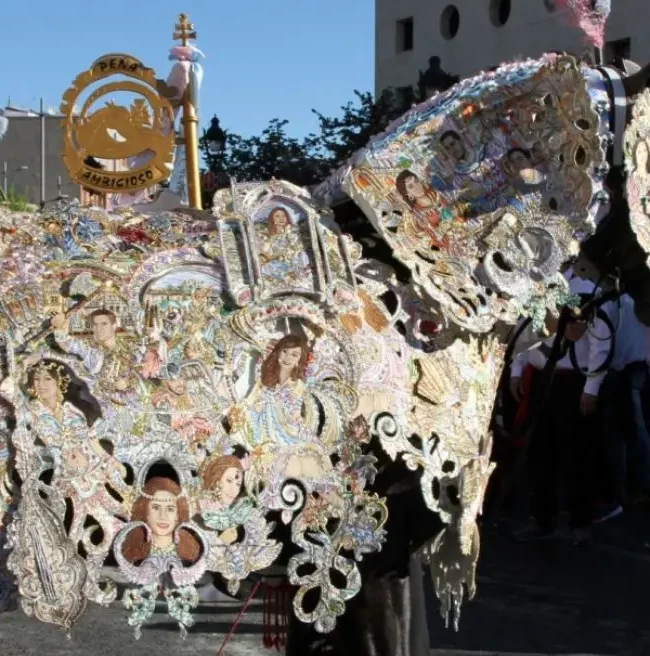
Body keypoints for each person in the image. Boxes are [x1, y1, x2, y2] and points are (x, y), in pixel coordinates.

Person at [509, 275, 609, 545]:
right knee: (540, 451)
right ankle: (541, 518)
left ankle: (580, 523)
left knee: (578, 453)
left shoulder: (588, 288)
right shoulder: (535, 282)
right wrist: (516, 372)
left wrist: (591, 387)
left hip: (574, 379)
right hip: (541, 376)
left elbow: (601, 341)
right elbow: (522, 327)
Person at [121, 476, 201, 564]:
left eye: (170, 509)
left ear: (178, 515)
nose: (163, 516)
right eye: (156, 507)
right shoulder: (132, 549)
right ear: (145, 511)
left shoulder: (190, 550)